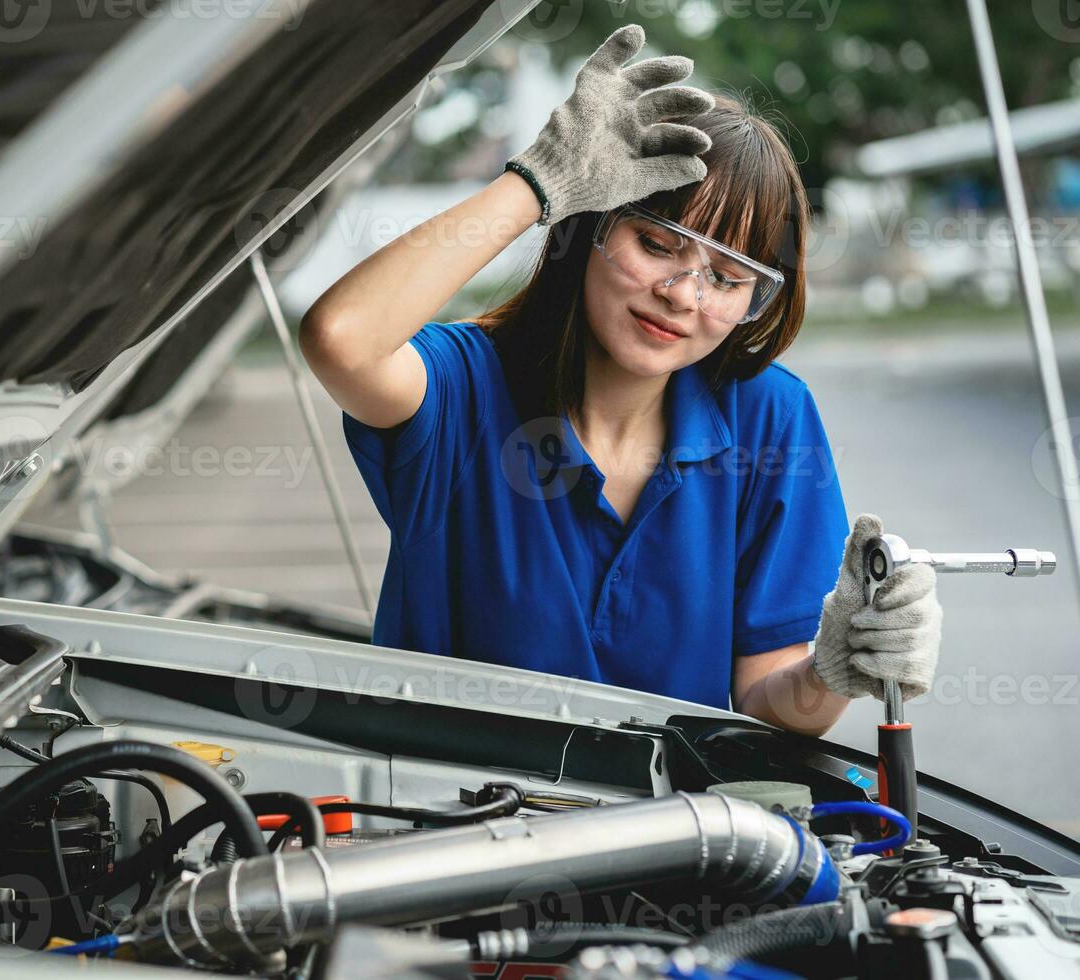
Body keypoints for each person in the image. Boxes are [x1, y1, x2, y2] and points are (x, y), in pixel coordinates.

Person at [299, 25, 941, 736]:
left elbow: (768, 701)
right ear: (588, 230)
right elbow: (342, 339)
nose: (684, 295)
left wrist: (832, 670)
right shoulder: (463, 388)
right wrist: (537, 183)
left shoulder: (770, 418)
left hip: (670, 836)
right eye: (658, 245)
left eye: (729, 279)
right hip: (454, 830)